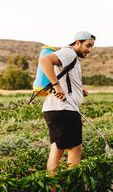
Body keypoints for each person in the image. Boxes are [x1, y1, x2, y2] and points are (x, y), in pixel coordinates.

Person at [39, 31, 95, 177]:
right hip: (64, 109)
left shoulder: (71, 57)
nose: (89, 50)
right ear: (77, 42)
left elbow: (65, 78)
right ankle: (70, 188)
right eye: (87, 45)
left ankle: (54, 190)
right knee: (74, 149)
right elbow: (45, 60)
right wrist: (57, 86)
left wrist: (78, 91)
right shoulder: (68, 53)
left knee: (58, 149)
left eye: (91, 47)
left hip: (59, 109)